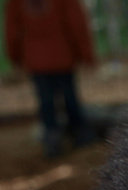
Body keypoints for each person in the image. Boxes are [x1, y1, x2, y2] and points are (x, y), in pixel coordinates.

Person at [5, 0, 96, 157]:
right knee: (70, 99)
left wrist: (15, 57)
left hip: (36, 60)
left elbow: (12, 30)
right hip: (63, 57)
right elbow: (77, 25)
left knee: (46, 103)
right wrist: (85, 54)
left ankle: (52, 140)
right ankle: (80, 135)